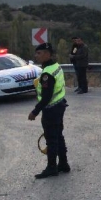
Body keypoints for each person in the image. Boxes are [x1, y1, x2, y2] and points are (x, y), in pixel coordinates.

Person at [28, 43, 70, 179]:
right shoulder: (55, 66)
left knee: (51, 139)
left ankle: (52, 167)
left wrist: (35, 111)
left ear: (47, 54)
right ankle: (63, 164)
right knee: (58, 136)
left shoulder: (47, 73)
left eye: (39, 53)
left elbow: (46, 97)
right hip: (59, 105)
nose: (36, 56)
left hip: (51, 109)